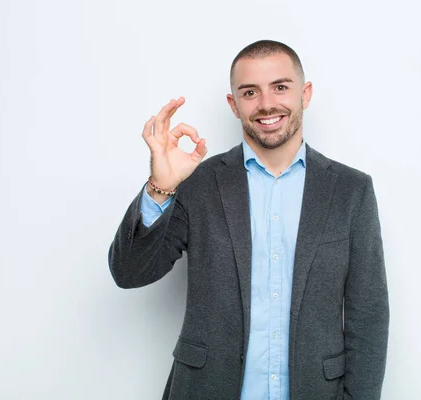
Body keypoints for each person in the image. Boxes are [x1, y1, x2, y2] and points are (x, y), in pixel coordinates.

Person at [108, 40, 389, 400]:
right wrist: (160, 186)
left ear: (305, 94)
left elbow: (369, 317)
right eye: (250, 92)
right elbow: (129, 273)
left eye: (281, 87)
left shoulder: (352, 190)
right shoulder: (198, 182)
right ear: (234, 105)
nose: (267, 103)